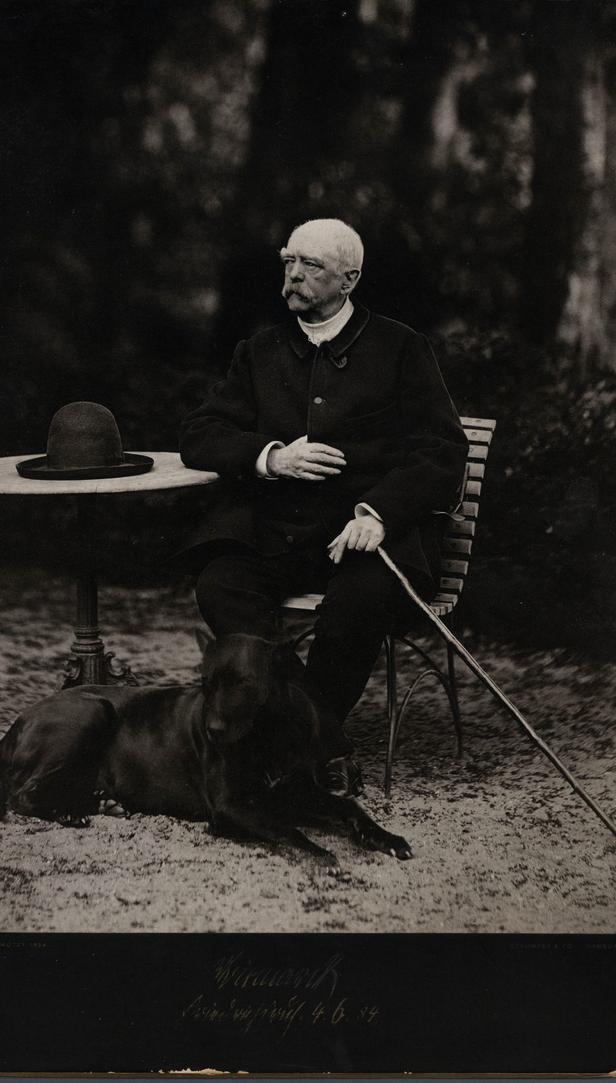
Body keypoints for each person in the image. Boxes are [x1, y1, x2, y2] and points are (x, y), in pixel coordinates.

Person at [179, 218, 468, 794]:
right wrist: (271, 457)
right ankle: (315, 741)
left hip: (365, 542)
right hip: (276, 534)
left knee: (360, 601)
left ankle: (283, 741)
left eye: (310, 265)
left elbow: (442, 451)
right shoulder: (258, 352)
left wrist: (377, 515)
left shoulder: (401, 348)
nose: (292, 275)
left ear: (349, 279)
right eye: (288, 261)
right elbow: (201, 432)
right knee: (220, 584)